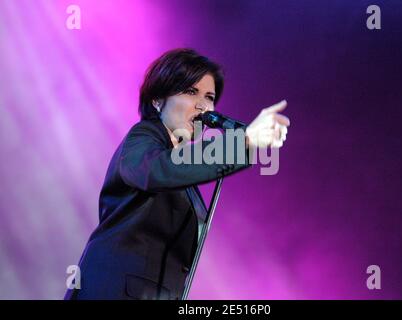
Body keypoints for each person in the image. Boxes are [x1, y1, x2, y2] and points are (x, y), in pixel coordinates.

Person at [64, 48, 289, 300]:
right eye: (191, 92)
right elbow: (158, 170)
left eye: (210, 96)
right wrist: (243, 141)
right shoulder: (143, 137)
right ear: (158, 100)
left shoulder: (181, 170)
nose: (203, 105)